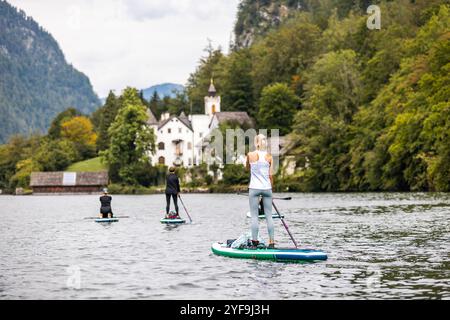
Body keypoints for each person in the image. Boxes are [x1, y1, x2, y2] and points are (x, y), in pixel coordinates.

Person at [246, 134, 275, 249]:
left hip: (254, 188)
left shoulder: (250, 155)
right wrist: (270, 190)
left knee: (254, 216)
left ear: (256, 143)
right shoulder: (270, 157)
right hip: (267, 188)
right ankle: (272, 243)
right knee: (269, 216)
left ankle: (254, 242)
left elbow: (247, 169)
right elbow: (271, 175)